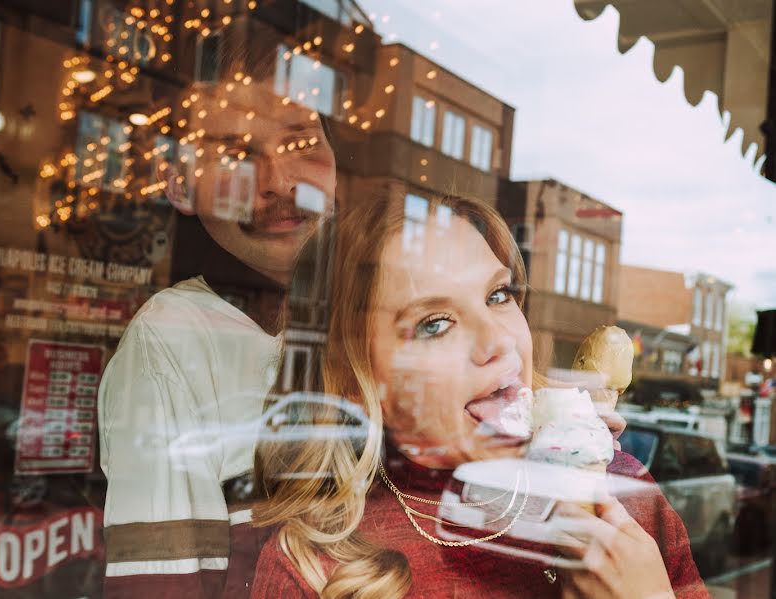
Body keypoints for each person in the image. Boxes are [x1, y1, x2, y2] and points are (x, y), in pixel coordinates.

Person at [251, 189, 708, 598]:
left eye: (498, 295)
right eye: (435, 323)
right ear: (353, 382)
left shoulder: (623, 494)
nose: (500, 341)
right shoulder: (314, 567)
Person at [97, 22, 338, 599]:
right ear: (179, 185)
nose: (279, 182)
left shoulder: (390, 316)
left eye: (302, 141)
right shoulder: (174, 338)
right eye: (235, 153)